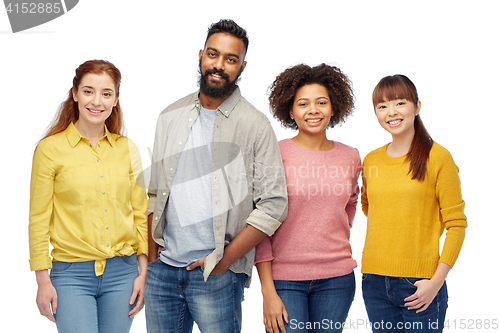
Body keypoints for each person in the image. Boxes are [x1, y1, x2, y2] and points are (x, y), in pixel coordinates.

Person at [144, 19, 288, 333]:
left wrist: (223, 261)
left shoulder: (255, 125)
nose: (219, 65)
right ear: (201, 55)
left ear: (242, 66)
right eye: (213, 54)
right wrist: (151, 254)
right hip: (162, 272)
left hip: (217, 276)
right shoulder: (170, 116)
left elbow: (274, 205)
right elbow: (154, 193)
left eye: (230, 59)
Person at [29, 60, 149, 333]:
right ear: (74, 93)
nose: (97, 101)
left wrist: (143, 274)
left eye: (106, 93)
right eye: (88, 91)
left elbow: (141, 214)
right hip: (71, 276)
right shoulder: (49, 150)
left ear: (116, 99)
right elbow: (38, 219)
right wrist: (42, 280)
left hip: (123, 274)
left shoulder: (128, 149)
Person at [254, 63, 360, 333]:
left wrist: (330, 229)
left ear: (333, 107)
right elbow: (259, 223)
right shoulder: (274, 154)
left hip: (337, 278)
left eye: (321, 102)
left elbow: (351, 200)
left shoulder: (351, 156)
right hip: (284, 280)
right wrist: (267, 290)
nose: (313, 110)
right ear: (290, 110)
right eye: (303, 104)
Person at [361, 75, 467, 333]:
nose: (391, 112)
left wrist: (435, 282)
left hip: (421, 283)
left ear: (417, 107)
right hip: (374, 281)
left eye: (400, 103)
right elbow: (369, 207)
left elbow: (457, 225)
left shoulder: (438, 157)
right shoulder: (371, 160)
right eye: (382, 106)